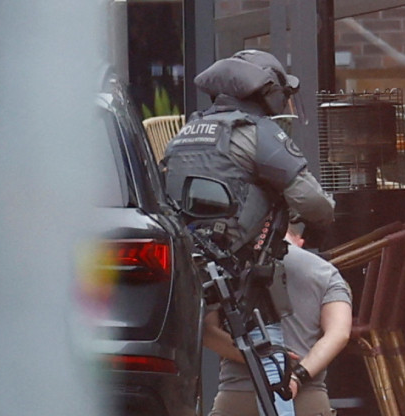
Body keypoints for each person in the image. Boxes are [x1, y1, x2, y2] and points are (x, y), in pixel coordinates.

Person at [162, 49, 335, 416]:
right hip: (244, 273)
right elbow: (313, 203)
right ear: (266, 90)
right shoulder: (257, 132)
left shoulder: (185, 133)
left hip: (191, 268)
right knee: (272, 365)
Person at [204, 223, 353, 416]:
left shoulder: (226, 268)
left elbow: (206, 332)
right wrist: (297, 376)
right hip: (307, 400)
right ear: (299, 240)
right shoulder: (326, 272)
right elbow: (339, 333)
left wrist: (259, 356)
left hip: (238, 397)